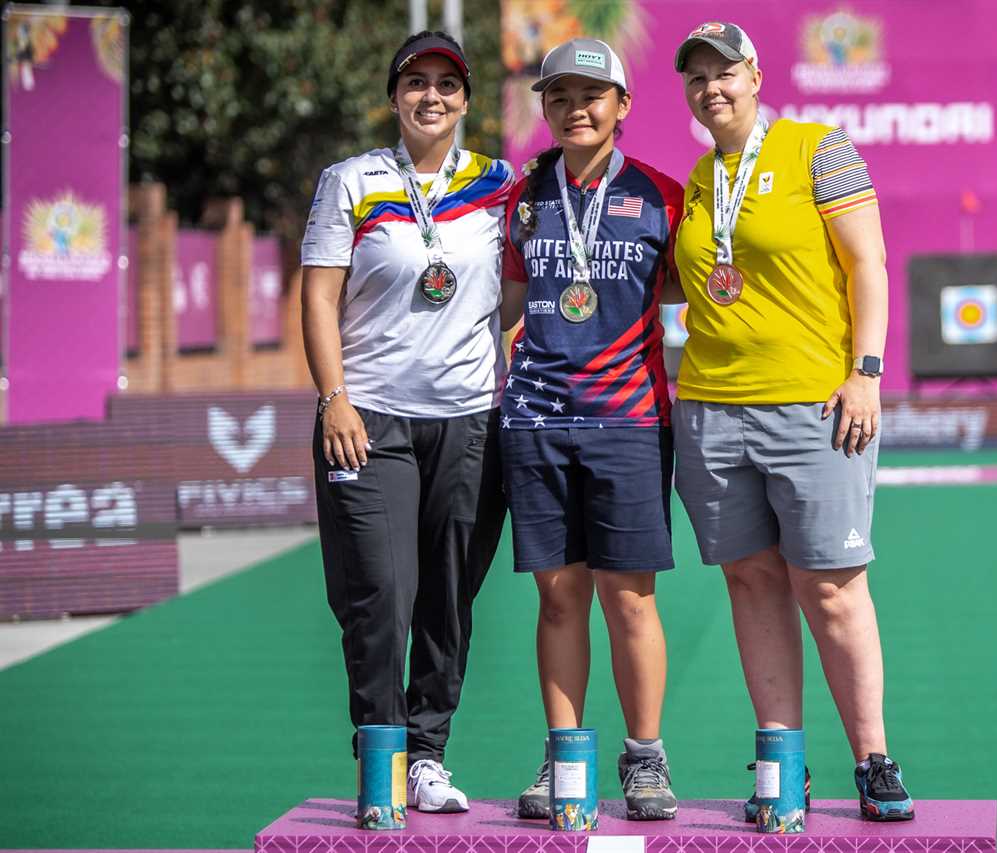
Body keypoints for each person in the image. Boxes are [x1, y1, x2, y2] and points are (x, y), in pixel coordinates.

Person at [670, 22, 915, 822]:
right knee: (751, 582)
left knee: (835, 589)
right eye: (697, 76)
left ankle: (873, 758)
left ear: (756, 73)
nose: (713, 87)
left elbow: (867, 262)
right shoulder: (701, 180)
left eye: (726, 71)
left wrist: (867, 371)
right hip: (710, 406)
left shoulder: (819, 147)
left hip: (815, 405)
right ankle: (783, 762)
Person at [300, 30, 513, 815]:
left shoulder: (498, 184)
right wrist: (334, 397)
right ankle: (381, 755)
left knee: (450, 598)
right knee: (381, 594)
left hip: (471, 421)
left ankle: (427, 754)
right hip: (369, 420)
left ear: (466, 99)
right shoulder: (351, 182)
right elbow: (320, 296)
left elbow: (516, 290)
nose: (432, 97)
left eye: (447, 85)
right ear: (393, 97)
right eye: (415, 83)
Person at [499, 37, 684, 821]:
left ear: (623, 106)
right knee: (558, 597)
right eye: (560, 96)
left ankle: (645, 757)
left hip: (630, 419)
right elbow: (504, 304)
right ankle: (563, 754)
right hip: (536, 418)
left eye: (592, 94)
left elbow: (689, 289)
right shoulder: (522, 195)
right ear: (543, 107)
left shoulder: (664, 195)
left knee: (630, 600)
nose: (576, 109)